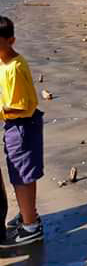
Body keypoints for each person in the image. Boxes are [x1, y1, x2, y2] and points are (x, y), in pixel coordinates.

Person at [0, 16, 44, 247]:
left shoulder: (14, 68)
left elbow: (21, 105)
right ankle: (29, 215)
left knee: (22, 176)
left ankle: (30, 226)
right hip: (18, 125)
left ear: (11, 41)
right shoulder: (5, 63)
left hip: (21, 125)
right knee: (22, 173)